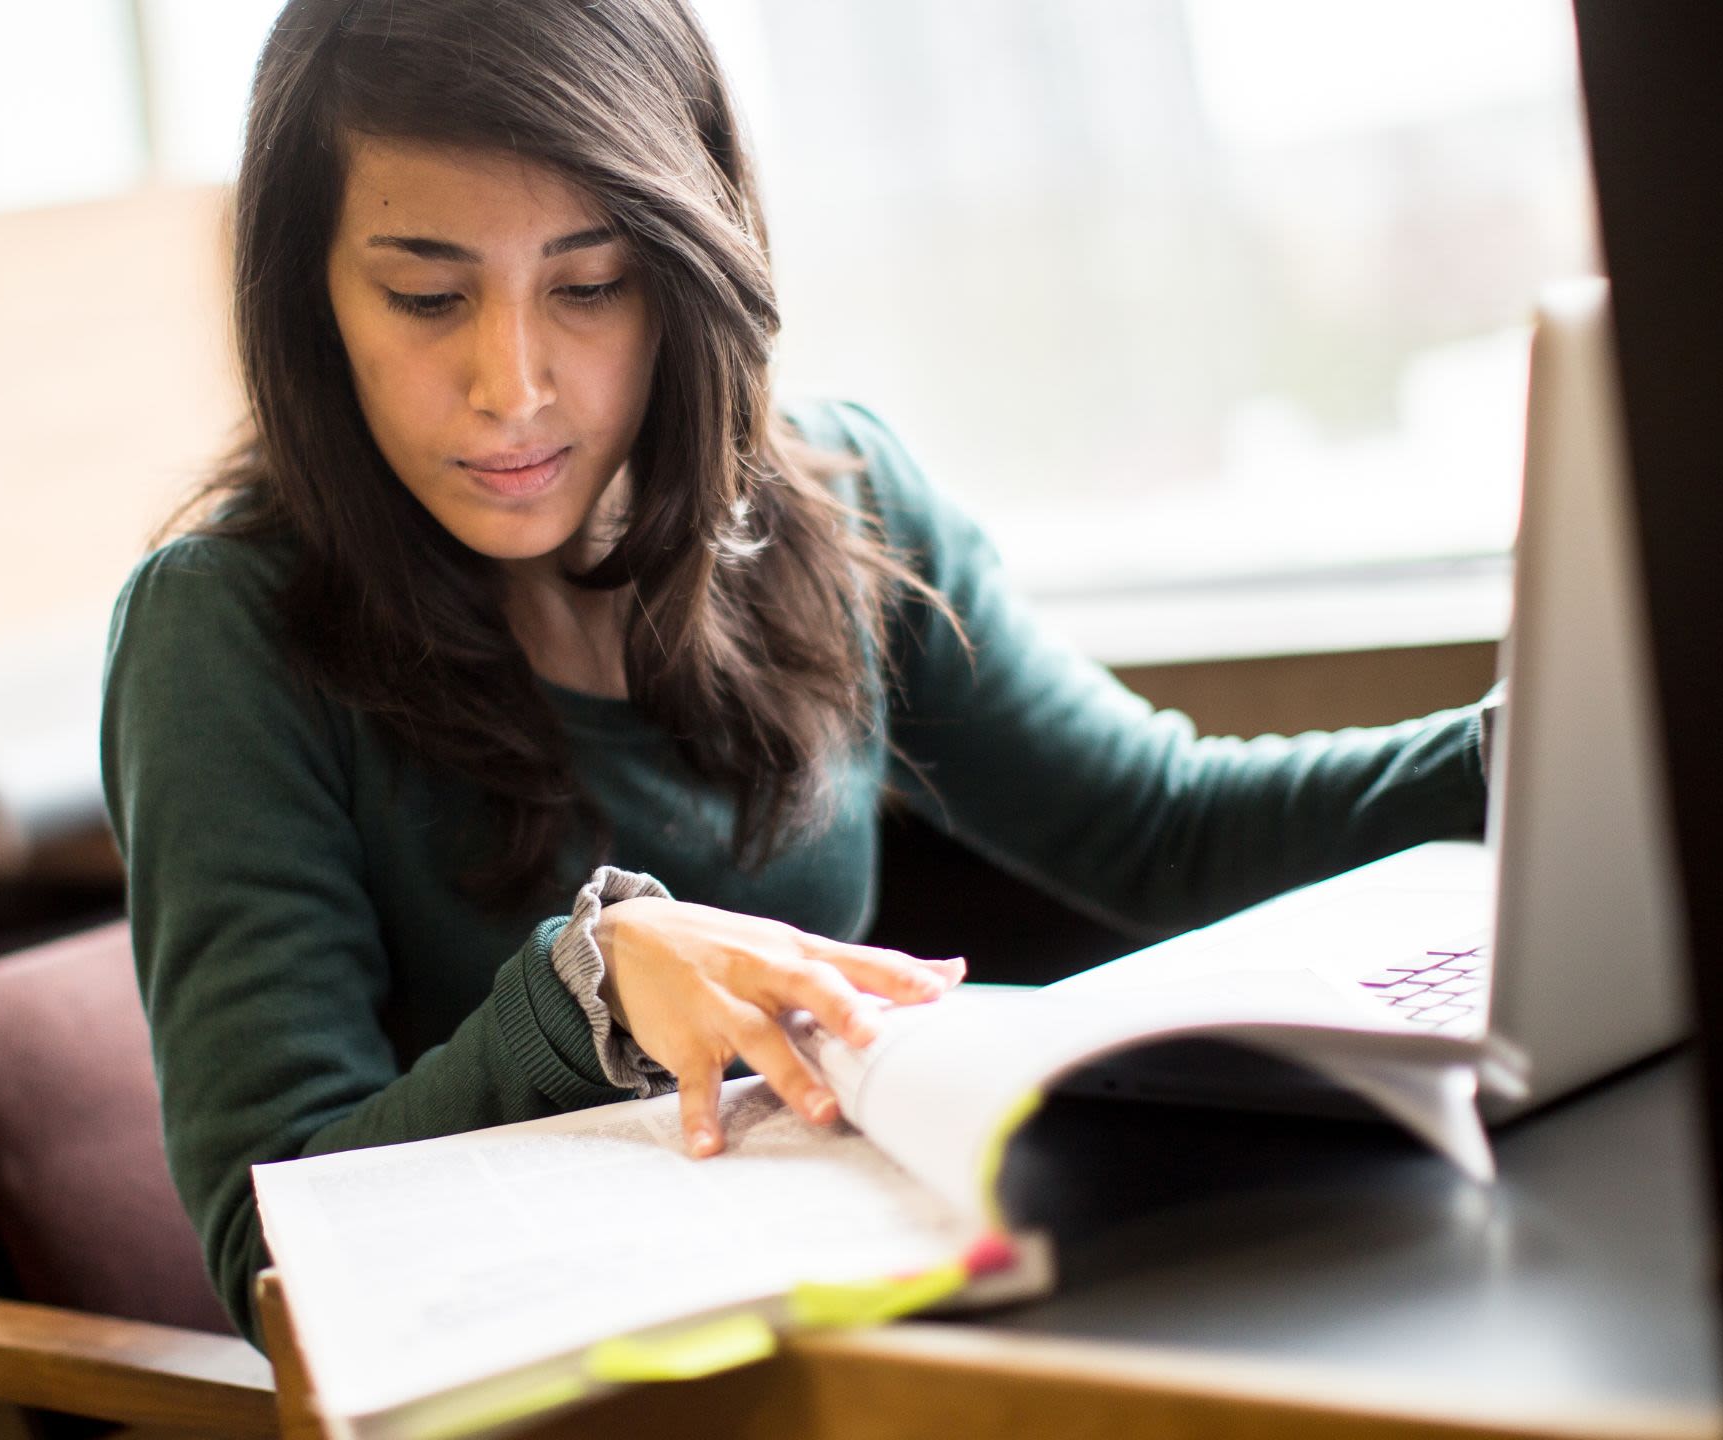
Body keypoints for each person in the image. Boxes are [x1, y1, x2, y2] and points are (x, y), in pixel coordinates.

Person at [99, 0, 1490, 1342]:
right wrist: (584, 988)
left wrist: (1540, 742)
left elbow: (1165, 826)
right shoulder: (219, 633)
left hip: (863, 1334)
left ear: (686, 270)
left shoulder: (838, 504)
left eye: (588, 286)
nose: (510, 382)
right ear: (309, 298)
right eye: (426, 295)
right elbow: (269, 1249)